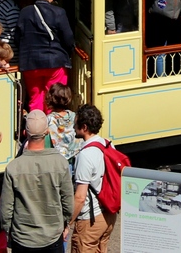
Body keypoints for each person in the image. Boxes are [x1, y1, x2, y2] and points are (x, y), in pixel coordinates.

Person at [2, 110, 74, 253]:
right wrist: (65, 224)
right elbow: (68, 204)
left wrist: (8, 230)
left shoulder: (13, 167)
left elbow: (6, 210)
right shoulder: (60, 163)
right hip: (52, 236)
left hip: (22, 238)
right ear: (47, 131)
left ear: (25, 133)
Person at [17, 0, 75, 111]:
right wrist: (70, 51)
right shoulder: (59, 12)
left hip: (30, 63)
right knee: (54, 100)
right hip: (54, 62)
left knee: (35, 99)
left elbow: (18, 37)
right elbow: (68, 38)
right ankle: (52, 124)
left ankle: (36, 124)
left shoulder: (25, 12)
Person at [68, 104, 117, 253]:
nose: (73, 127)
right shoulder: (108, 144)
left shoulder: (85, 155)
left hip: (90, 219)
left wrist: (68, 223)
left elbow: (80, 197)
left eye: (75, 124)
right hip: (109, 216)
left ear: (84, 127)